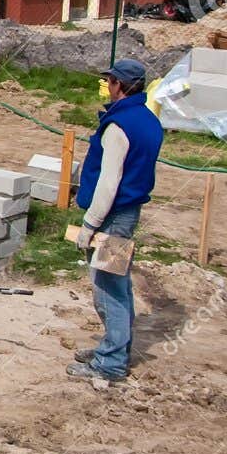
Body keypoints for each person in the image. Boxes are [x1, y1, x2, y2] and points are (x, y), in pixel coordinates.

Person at [68, 58, 163, 384]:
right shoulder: (148, 120)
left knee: (108, 288)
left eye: (110, 81)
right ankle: (112, 348)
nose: (107, 86)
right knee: (117, 285)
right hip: (128, 212)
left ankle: (110, 364)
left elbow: (110, 182)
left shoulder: (118, 126)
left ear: (119, 85)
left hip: (113, 217)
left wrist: (90, 224)